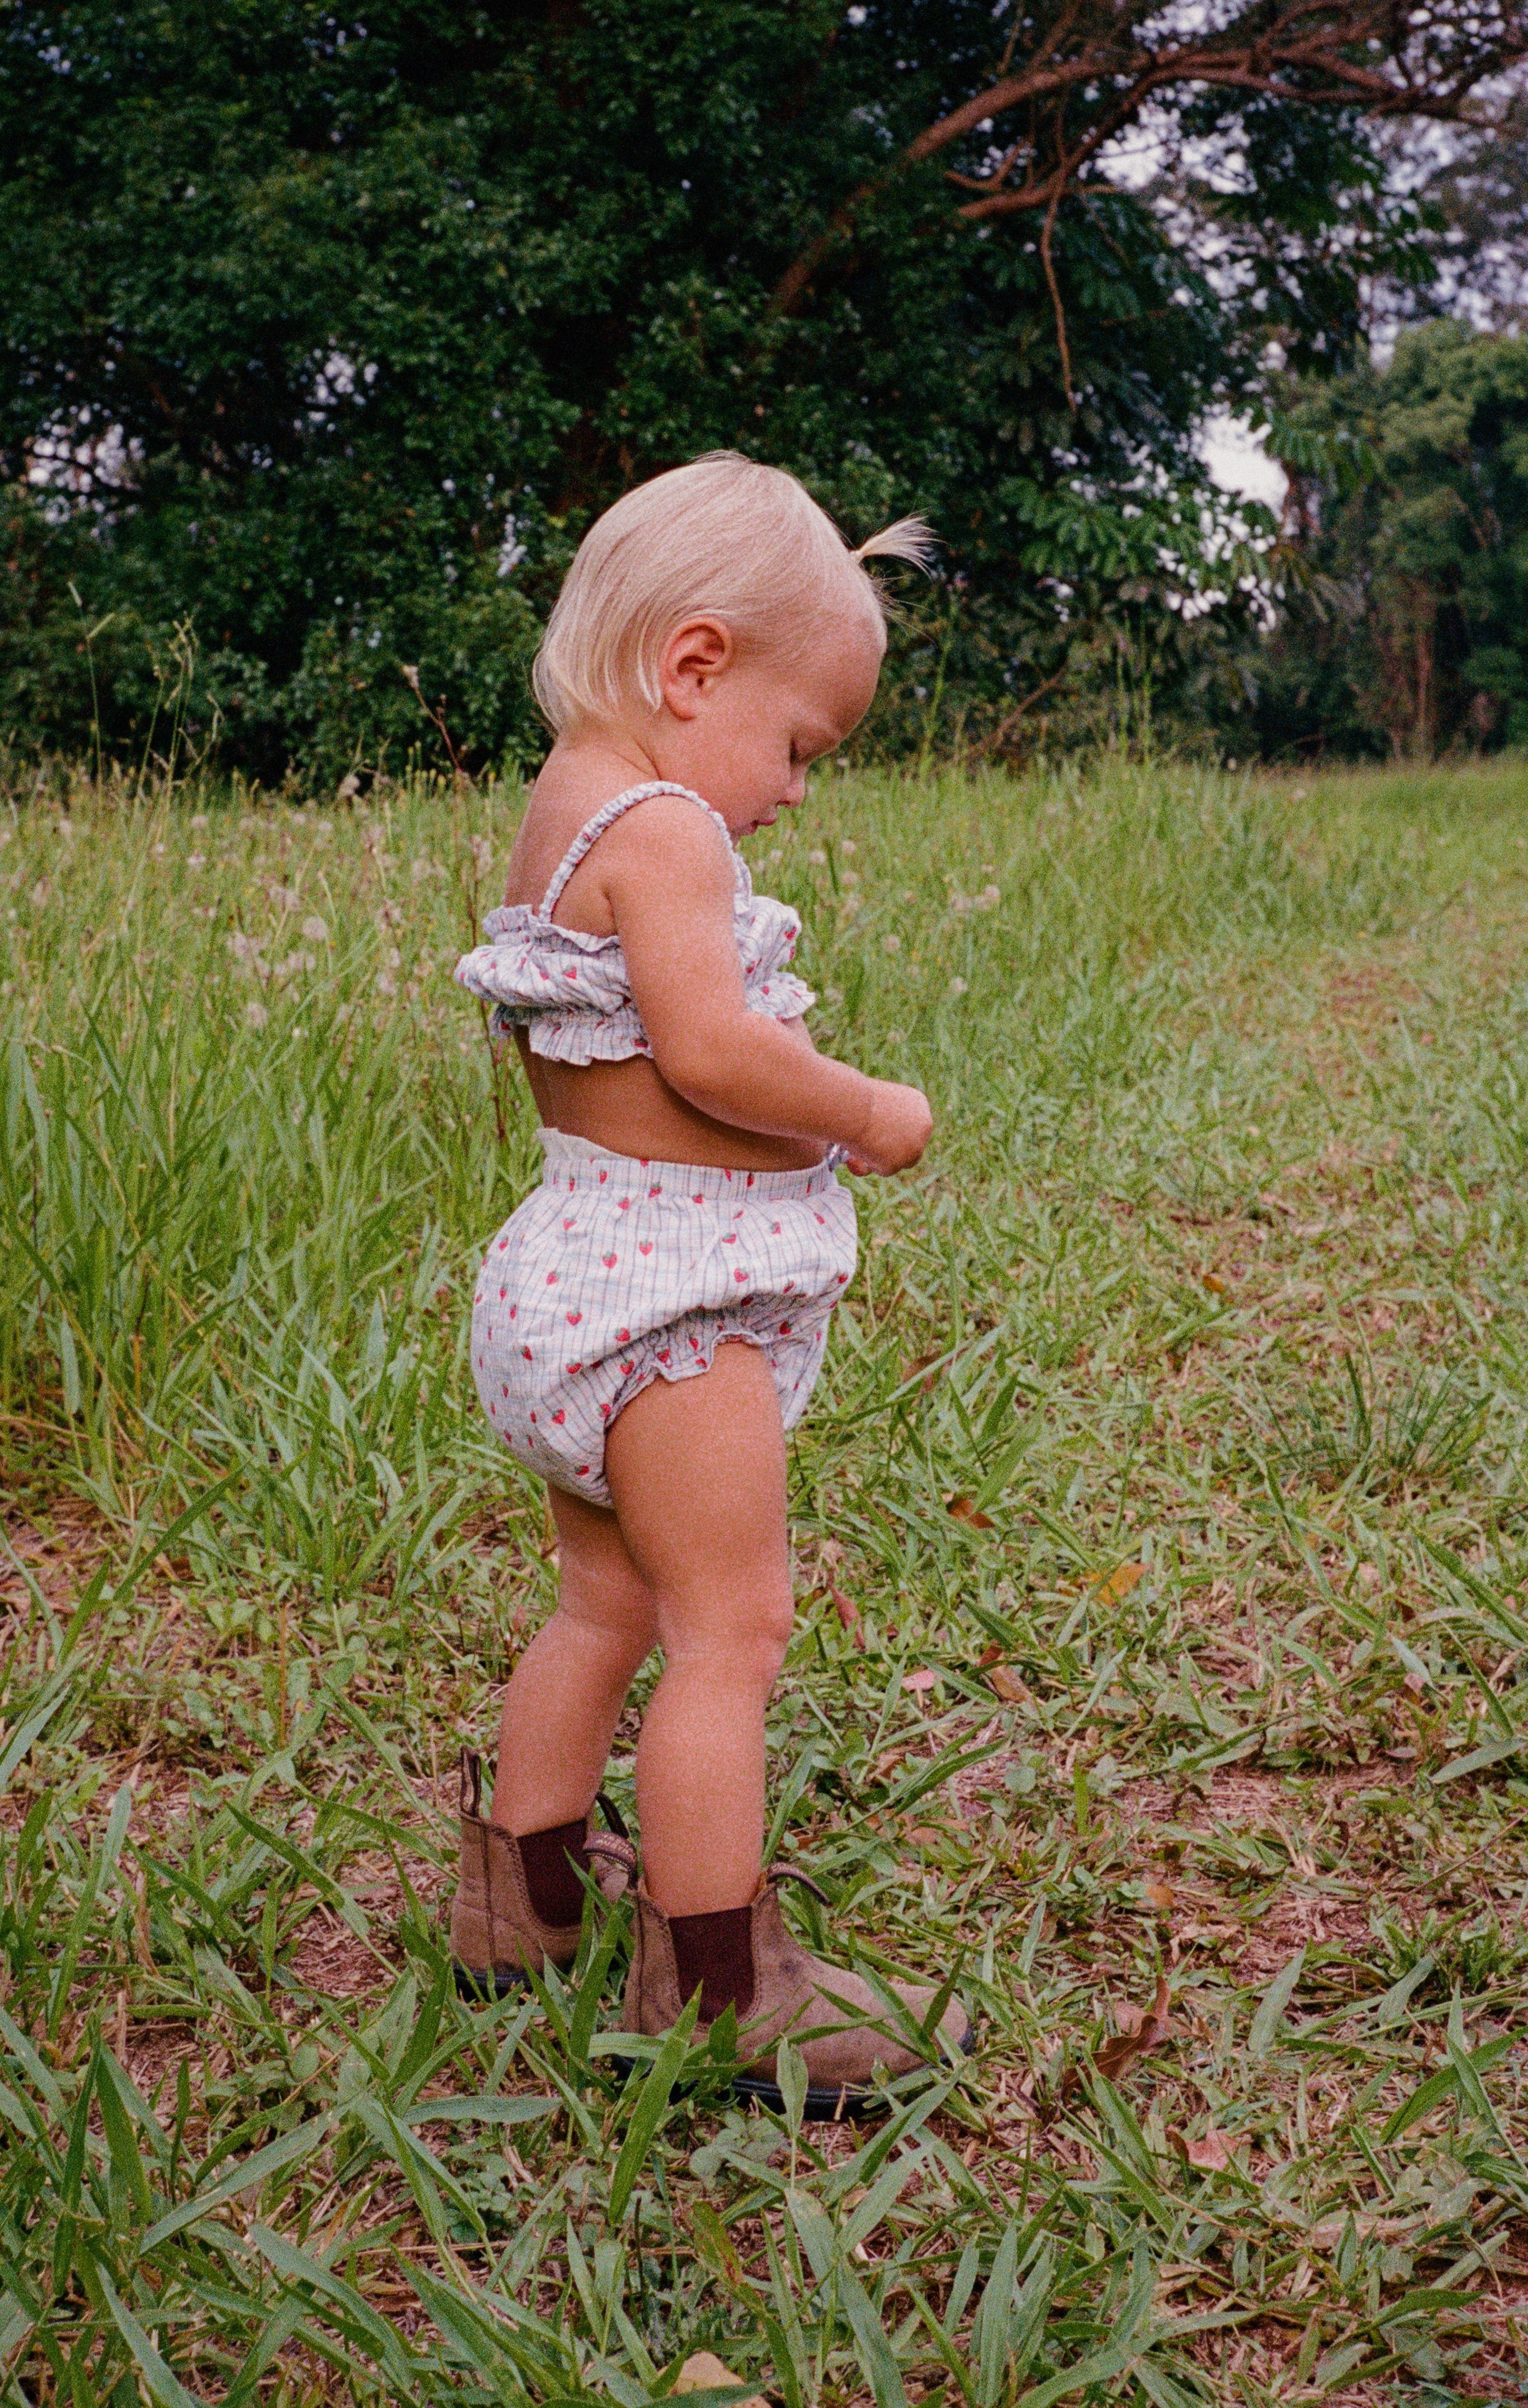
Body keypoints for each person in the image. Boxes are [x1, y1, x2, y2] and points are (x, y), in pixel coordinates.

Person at [448, 451, 968, 2114]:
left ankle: (518, 1891)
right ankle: (724, 1982)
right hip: (664, 1313)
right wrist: (867, 1110)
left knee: (601, 1600)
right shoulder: (667, 827)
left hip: (565, 1274)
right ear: (693, 666)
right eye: (800, 744)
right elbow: (715, 1048)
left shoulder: (567, 798)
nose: (798, 790)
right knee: (728, 1629)